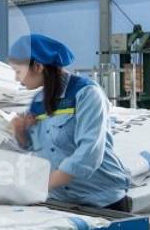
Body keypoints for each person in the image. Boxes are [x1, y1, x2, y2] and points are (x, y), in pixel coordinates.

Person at [8, 34, 130, 210]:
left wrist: (42, 185)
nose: (16, 79)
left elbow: (89, 154)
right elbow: (35, 148)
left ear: (38, 66)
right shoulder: (37, 100)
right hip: (61, 201)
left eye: (18, 71)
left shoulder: (86, 94)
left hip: (102, 201)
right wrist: (21, 133)